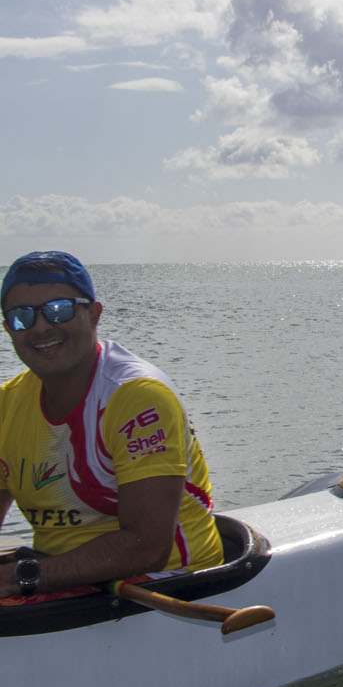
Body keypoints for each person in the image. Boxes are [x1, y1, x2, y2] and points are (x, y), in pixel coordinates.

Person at [0, 251, 222, 600]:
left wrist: (18, 578)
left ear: (94, 314)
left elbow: (146, 547)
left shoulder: (136, 397)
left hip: (169, 578)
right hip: (58, 576)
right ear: (8, 329)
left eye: (59, 310)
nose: (41, 327)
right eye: (21, 317)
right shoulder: (7, 405)